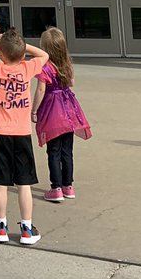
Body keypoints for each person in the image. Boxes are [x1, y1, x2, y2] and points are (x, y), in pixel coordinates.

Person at [0, 28, 48, 245]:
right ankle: (26, 227)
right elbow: (45, 55)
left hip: (1, 133)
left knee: (2, 183)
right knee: (24, 184)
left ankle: (1, 225)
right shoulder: (27, 67)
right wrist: (23, 49)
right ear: (23, 55)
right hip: (22, 134)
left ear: (1, 54)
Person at [32, 26, 92, 202]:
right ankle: (68, 186)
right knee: (67, 151)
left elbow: (40, 90)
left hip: (52, 111)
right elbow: (71, 82)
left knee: (54, 151)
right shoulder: (67, 63)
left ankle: (56, 188)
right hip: (69, 110)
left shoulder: (45, 67)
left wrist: (34, 110)